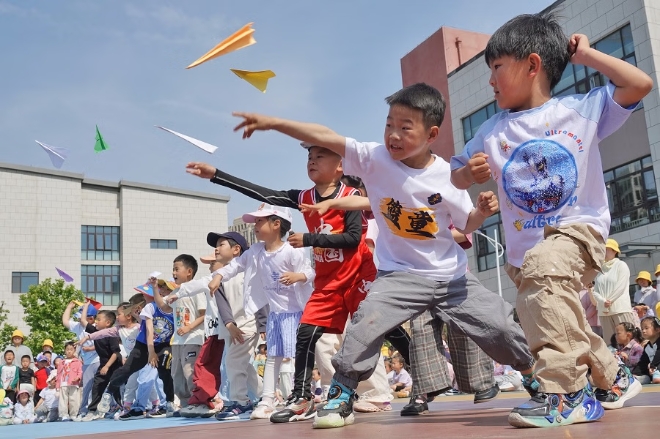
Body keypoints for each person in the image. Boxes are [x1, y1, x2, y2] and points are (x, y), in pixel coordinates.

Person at [231, 82, 536, 430]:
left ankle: (534, 377)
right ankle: (343, 394)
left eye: (405, 128)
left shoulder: (446, 175)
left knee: (498, 323)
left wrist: (482, 212)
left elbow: (466, 224)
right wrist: (275, 123)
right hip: (400, 276)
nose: (393, 134)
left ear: (431, 133)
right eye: (389, 124)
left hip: (450, 277)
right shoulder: (374, 159)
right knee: (366, 322)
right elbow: (326, 135)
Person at [450, 11, 651, 427]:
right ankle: (613, 379)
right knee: (555, 314)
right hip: (525, 251)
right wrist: (469, 174)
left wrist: (590, 55)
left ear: (532, 64)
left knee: (546, 278)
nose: (490, 81)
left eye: (496, 68)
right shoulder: (490, 130)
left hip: (579, 231)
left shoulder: (581, 109)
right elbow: (454, 171)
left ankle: (568, 395)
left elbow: (639, 84)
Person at [186, 138, 377, 425]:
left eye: (320, 156)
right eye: (310, 156)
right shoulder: (304, 198)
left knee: (378, 334)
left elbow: (352, 238)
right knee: (306, 336)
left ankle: (418, 389)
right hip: (326, 282)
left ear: (340, 166)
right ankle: (301, 398)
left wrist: (310, 240)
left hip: (357, 276)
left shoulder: (350, 195)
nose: (312, 160)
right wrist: (216, 175)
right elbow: (266, 193)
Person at [175, 205, 314, 421]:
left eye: (260, 221)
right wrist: (219, 276)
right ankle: (267, 400)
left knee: (305, 355)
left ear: (276, 224)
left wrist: (299, 276)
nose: (255, 225)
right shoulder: (256, 252)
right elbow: (235, 266)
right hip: (277, 315)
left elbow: (309, 270)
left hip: (299, 312)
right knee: (272, 358)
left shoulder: (291, 250)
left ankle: (313, 393)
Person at [177, 233, 266, 420]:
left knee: (233, 363)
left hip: (247, 326)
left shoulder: (249, 271)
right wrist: (175, 293)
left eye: (221, 244)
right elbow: (221, 302)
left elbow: (259, 299)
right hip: (231, 328)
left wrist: (263, 325)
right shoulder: (219, 276)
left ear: (236, 250)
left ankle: (240, 402)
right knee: (244, 365)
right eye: (215, 245)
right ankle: (264, 396)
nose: (216, 249)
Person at [101, 262, 179, 420]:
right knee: (128, 369)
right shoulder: (150, 308)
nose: (163, 292)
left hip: (164, 344)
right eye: (161, 289)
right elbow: (149, 329)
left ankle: (170, 402)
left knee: (165, 366)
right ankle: (109, 392)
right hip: (144, 345)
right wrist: (150, 352)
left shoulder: (177, 308)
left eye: (166, 290)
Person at [168, 262, 207, 413]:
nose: (174, 272)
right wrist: (154, 288)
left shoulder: (196, 290)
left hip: (193, 338)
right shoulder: (176, 291)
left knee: (189, 371)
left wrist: (189, 327)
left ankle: (198, 402)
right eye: (173, 269)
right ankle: (185, 404)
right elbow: (163, 305)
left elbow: (203, 314)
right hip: (177, 340)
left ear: (189, 271)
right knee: (176, 374)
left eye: (177, 269)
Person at [81, 308, 122, 421]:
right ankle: (92, 411)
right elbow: (83, 321)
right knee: (97, 386)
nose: (95, 321)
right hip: (103, 364)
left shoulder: (111, 334)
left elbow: (115, 353)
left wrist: (107, 366)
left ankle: (121, 408)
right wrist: (86, 307)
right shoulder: (96, 332)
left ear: (107, 323)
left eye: (99, 319)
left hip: (114, 365)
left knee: (116, 387)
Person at [592, 239, 637, 342]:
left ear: (614, 251)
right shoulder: (600, 269)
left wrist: (610, 300)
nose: (603, 252)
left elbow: (621, 286)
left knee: (628, 339)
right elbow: (595, 290)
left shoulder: (621, 265)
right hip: (604, 312)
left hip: (620, 309)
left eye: (606, 249)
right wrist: (603, 301)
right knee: (610, 342)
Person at [62, 301, 99, 418]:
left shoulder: (95, 328)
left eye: (81, 317)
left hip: (97, 360)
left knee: (99, 386)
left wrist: (91, 348)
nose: (79, 320)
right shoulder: (78, 327)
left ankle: (99, 409)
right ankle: (84, 410)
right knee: (87, 387)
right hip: (87, 362)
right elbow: (65, 322)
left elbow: (102, 344)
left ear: (91, 318)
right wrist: (69, 307)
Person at [56, 341, 83, 421]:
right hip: (63, 383)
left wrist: (78, 377)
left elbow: (80, 371)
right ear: (65, 350)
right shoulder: (62, 362)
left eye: (71, 349)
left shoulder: (78, 361)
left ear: (74, 350)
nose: (69, 351)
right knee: (63, 400)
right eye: (67, 349)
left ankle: (73, 414)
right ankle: (64, 414)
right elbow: (58, 374)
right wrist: (57, 386)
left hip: (73, 383)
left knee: (74, 399)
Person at [632, 317, 660, 384]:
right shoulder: (647, 346)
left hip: (655, 368)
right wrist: (635, 373)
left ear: (657, 329)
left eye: (646, 328)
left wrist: (653, 365)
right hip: (653, 371)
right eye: (642, 329)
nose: (643, 331)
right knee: (645, 378)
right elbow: (643, 362)